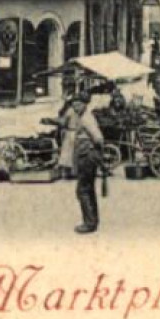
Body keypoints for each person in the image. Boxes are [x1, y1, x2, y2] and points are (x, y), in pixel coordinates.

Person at [65, 90, 106, 235]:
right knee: (87, 189)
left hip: (87, 157)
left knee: (83, 190)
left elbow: (98, 138)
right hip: (85, 156)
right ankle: (92, 221)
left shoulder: (86, 119)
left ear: (85, 104)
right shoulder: (82, 117)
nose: (75, 107)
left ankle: (89, 223)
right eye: (73, 105)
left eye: (78, 104)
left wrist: (94, 151)